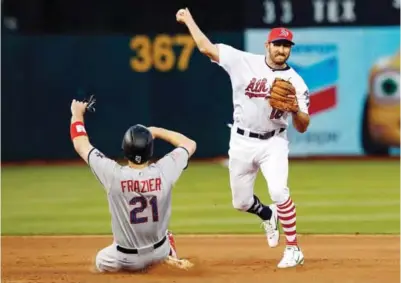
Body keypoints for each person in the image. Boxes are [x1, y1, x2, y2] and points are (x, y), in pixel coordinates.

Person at [176, 8, 310, 268]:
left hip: (274, 141)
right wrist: (188, 19)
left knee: (279, 190)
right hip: (241, 140)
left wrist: (294, 109)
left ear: (290, 49)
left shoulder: (296, 82)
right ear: (267, 45)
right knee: (241, 202)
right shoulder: (243, 60)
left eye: (286, 46)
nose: (282, 49)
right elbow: (206, 48)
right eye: (277, 44)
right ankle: (267, 214)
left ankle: (294, 248)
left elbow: (303, 125)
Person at [69, 98, 197, 272]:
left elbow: (80, 144)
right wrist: (156, 131)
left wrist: (77, 114)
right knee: (167, 236)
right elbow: (189, 144)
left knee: (100, 261)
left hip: (125, 258)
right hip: (159, 251)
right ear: (150, 149)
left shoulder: (112, 174)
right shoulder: (164, 170)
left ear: (125, 148)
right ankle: (169, 257)